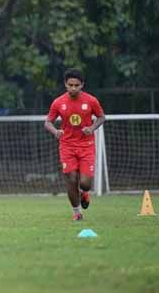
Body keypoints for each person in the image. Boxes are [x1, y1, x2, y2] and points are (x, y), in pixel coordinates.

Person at [44, 68, 106, 221]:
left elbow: (101, 117)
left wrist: (91, 128)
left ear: (82, 85)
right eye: (70, 85)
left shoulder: (91, 101)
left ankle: (84, 193)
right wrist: (55, 131)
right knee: (71, 179)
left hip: (86, 145)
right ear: (65, 84)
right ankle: (77, 212)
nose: (73, 88)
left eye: (76, 85)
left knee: (85, 183)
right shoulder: (58, 102)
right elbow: (47, 122)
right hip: (67, 146)